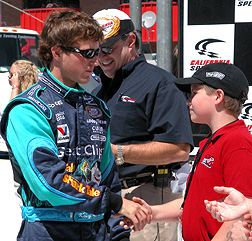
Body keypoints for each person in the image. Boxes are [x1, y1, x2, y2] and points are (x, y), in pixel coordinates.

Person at [0, 10, 151, 241]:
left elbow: (108, 178)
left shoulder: (97, 107)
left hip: (96, 232)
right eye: (87, 52)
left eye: (98, 50)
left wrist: (118, 231)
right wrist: (114, 203)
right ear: (57, 52)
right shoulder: (28, 108)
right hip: (48, 230)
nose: (96, 59)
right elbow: (48, 182)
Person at [120, 62, 252, 240]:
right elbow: (190, 205)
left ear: (218, 96)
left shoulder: (237, 142)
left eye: (194, 93)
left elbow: (239, 215)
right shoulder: (212, 142)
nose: (188, 100)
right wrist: (149, 212)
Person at [92, 9, 194, 241]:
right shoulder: (98, 86)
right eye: (96, 49)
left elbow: (179, 149)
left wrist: (117, 152)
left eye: (108, 48)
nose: (101, 56)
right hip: (107, 196)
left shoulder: (160, 83)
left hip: (144, 196)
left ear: (130, 41)